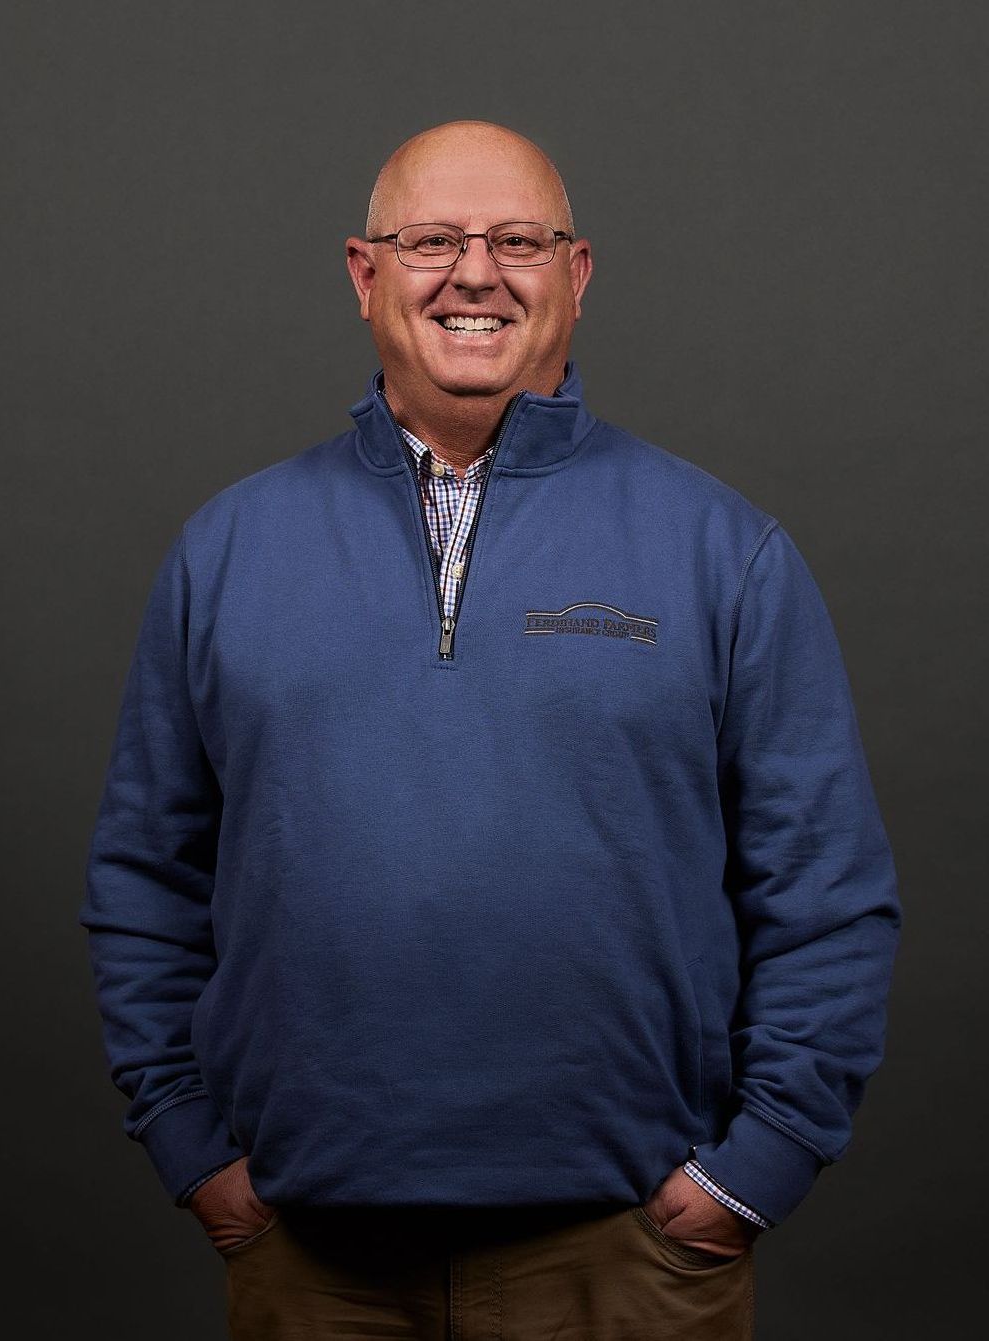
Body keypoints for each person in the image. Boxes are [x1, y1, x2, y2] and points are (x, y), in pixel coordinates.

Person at [79, 120, 902, 1339]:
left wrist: (753, 1173)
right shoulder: (229, 549)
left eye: (518, 240)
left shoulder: (722, 550)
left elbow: (826, 891)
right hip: (310, 1258)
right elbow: (146, 876)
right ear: (365, 275)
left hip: (629, 1261)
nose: (476, 273)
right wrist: (194, 1151)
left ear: (575, 275)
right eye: (431, 242)